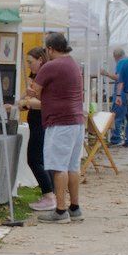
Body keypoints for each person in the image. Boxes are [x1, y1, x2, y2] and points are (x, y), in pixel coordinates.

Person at [33, 32, 85, 223]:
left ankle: (60, 210)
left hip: (60, 122)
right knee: (73, 166)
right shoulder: (73, 63)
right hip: (76, 120)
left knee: (58, 167)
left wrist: (27, 99)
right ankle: (75, 207)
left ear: (50, 49)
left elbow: (35, 92)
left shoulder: (50, 66)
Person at [17, 46, 56, 211]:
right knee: (38, 159)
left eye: (30, 62)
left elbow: (45, 103)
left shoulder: (45, 77)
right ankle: (49, 193)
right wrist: (25, 103)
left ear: (41, 59)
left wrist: (27, 102)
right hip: (36, 121)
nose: (28, 65)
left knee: (34, 159)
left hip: (41, 122)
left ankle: (49, 195)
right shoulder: (37, 76)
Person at [100, 47, 128, 147]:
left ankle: (116, 139)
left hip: (121, 93)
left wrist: (106, 73)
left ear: (115, 56)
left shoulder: (121, 63)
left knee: (116, 117)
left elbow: (119, 77)